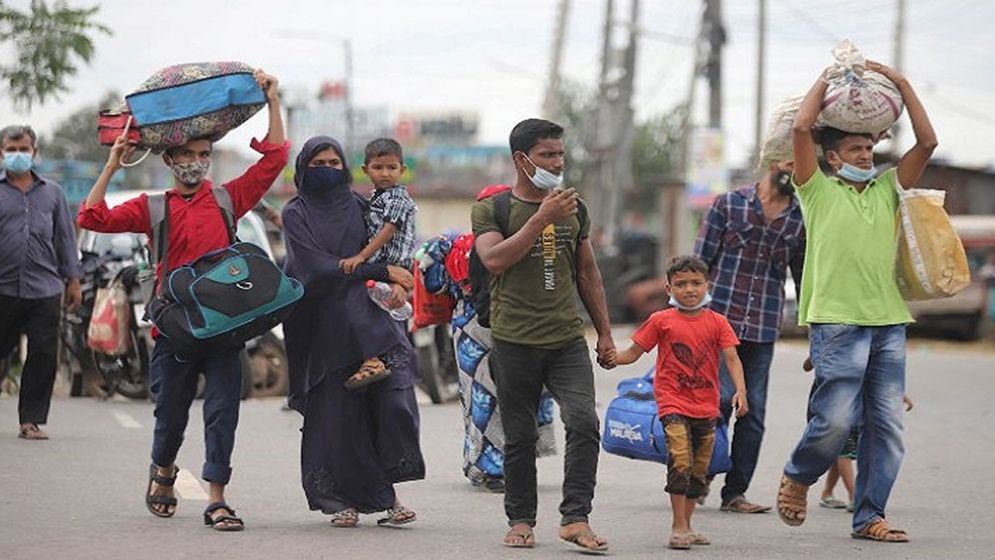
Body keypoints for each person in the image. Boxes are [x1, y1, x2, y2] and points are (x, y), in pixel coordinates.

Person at [77, 69, 288, 531]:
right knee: (170, 415)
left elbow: (273, 161)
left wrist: (272, 101)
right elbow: (91, 215)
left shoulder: (229, 199)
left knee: (221, 414)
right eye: (189, 155)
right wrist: (114, 164)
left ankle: (217, 499)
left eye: (204, 154)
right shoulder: (153, 208)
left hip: (223, 325)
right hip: (173, 329)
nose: (197, 161)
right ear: (171, 160)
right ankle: (163, 471)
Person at [777, 60, 937, 543]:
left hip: (888, 321)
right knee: (837, 420)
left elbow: (927, 144)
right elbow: (804, 127)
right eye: (856, 147)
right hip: (837, 321)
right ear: (831, 158)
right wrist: (828, 76)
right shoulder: (817, 191)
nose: (867, 154)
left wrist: (903, 82)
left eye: (869, 147)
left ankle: (869, 516)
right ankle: (800, 473)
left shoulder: (889, 189)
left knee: (886, 427)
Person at [471, 118, 614, 552]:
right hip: (514, 340)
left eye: (560, 155)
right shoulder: (492, 209)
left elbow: (587, 272)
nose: (557, 162)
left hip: (566, 340)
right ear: (522, 160)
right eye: (547, 155)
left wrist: (605, 333)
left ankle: (576, 517)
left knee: (585, 424)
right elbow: (494, 259)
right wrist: (541, 219)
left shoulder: (575, 208)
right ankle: (520, 519)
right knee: (521, 436)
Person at [281, 135, 425, 529]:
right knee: (337, 415)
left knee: (390, 404)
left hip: (369, 317)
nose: (327, 169)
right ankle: (339, 500)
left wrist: (398, 280)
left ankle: (387, 493)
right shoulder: (296, 213)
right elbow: (313, 266)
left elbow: (389, 246)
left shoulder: (361, 205)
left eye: (333, 162)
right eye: (318, 163)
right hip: (321, 322)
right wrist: (377, 272)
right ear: (303, 168)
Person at [606, 255, 748, 549]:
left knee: (699, 468)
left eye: (696, 283)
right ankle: (678, 526)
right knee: (680, 459)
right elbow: (633, 353)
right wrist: (612, 359)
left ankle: (689, 524)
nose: (689, 289)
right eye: (681, 284)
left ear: (707, 285)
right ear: (668, 289)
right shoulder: (661, 321)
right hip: (673, 403)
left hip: (706, 407)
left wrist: (741, 392)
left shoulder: (717, 322)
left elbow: (732, 359)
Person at [693, 158, 805, 513]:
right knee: (719, 400)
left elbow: (803, 277)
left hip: (763, 325)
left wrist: (815, 328)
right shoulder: (728, 204)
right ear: (774, 161)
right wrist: (683, 316)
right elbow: (699, 263)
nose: (798, 168)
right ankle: (699, 477)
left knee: (751, 411)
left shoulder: (801, 218)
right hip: (718, 322)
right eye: (792, 160)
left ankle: (735, 493)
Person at [417, 223, 557, 494]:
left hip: (469, 329)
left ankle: (485, 465)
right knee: (515, 395)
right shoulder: (521, 243)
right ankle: (499, 467)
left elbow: (434, 284)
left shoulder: (458, 246)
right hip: (518, 323)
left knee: (479, 399)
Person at [0, 125, 81, 440]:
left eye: (24, 149)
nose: (18, 155)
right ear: (2, 152)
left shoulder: (53, 193)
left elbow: (64, 237)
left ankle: (30, 421)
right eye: (11, 149)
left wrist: (72, 279)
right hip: (3, 287)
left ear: (34, 153)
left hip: (45, 288)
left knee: (43, 355)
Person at [339, 138, 417, 390]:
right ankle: (374, 359)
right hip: (381, 266)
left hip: (392, 263)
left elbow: (388, 230)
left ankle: (376, 361)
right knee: (373, 311)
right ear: (365, 170)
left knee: (366, 308)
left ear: (402, 170)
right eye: (378, 167)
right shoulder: (374, 197)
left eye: (392, 168)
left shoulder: (396, 197)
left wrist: (361, 257)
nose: (385, 173)